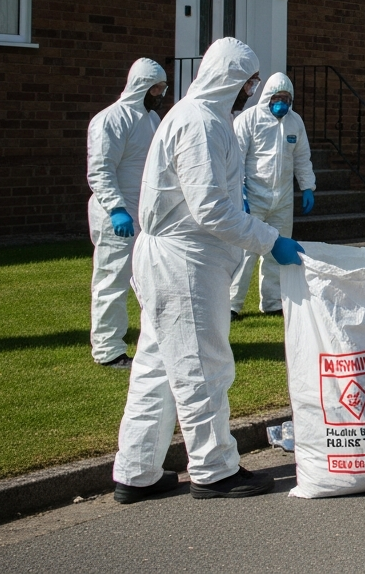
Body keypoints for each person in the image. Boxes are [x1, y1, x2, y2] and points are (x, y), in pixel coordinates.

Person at [112, 38, 304, 504]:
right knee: (204, 367)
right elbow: (211, 210)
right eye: (249, 80)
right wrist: (269, 239)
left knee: (156, 369)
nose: (252, 88)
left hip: (175, 259)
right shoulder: (200, 122)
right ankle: (215, 469)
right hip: (184, 263)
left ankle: (135, 473)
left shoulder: (203, 116)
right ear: (230, 78)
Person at [86, 59, 168, 368]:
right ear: (141, 86)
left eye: (162, 88)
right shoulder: (110, 120)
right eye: (155, 88)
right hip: (116, 217)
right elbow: (100, 170)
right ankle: (108, 350)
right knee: (112, 281)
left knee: (149, 280)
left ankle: (157, 342)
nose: (159, 94)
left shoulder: (150, 119)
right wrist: (117, 209)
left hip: (144, 215)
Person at [229, 72, 316, 317]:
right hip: (253, 196)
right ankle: (232, 304)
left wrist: (307, 186)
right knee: (245, 252)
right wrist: (240, 193)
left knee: (277, 253)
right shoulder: (249, 120)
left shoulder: (295, 122)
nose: (282, 103)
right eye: (277, 97)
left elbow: (301, 158)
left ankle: (272, 302)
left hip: (283, 199)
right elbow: (236, 159)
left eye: (287, 98)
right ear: (267, 96)